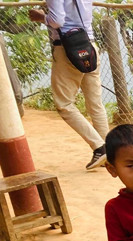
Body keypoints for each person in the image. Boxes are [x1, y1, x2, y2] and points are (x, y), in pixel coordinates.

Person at [28, 0, 108, 170]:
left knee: (64, 104)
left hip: (68, 49)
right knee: (95, 104)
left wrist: (42, 17)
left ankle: (100, 147)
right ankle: (110, 152)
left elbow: (58, 21)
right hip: (89, 45)